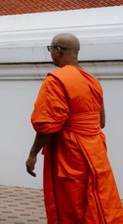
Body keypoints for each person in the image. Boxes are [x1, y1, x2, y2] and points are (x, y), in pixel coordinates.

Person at [27, 33, 123, 223]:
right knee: (98, 198)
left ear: (58, 50)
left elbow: (46, 126)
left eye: (51, 49)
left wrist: (32, 154)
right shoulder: (92, 80)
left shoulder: (56, 80)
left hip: (70, 152)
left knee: (72, 204)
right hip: (95, 152)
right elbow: (101, 122)